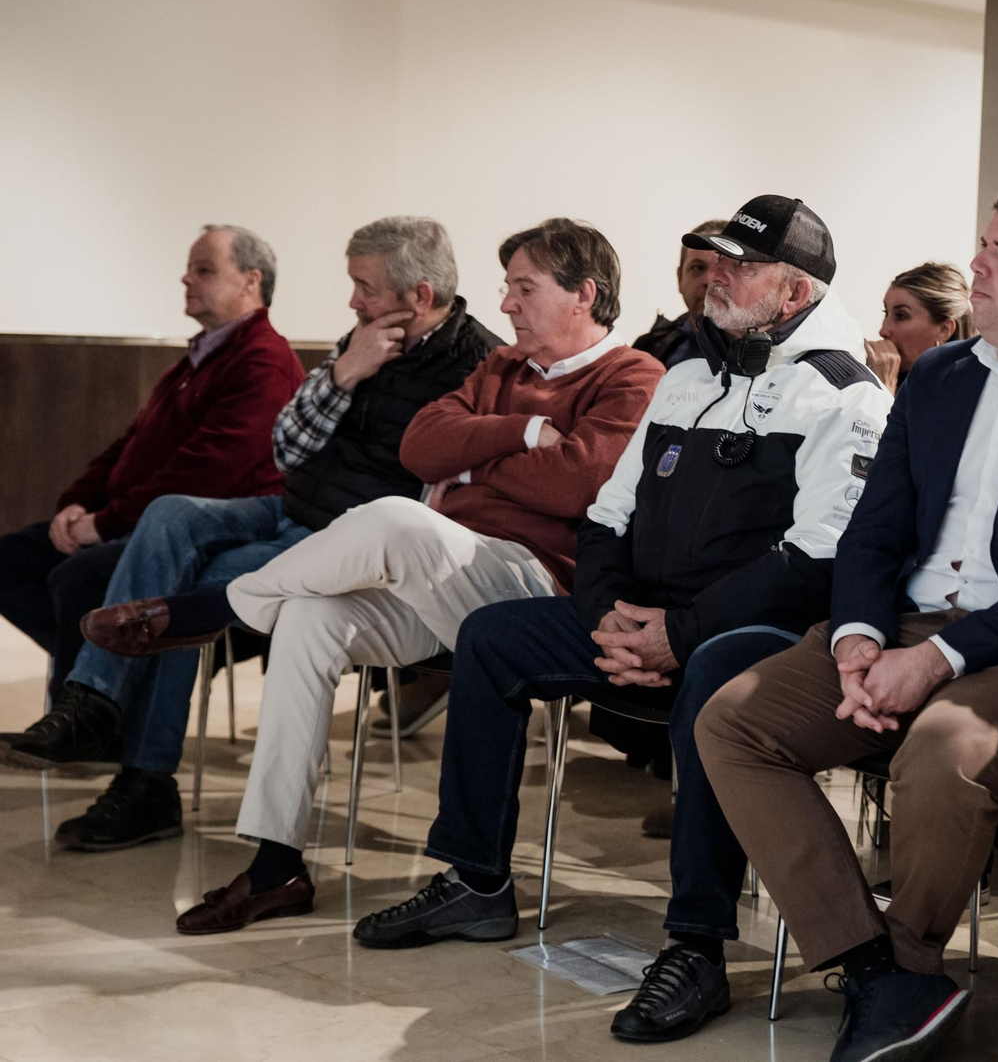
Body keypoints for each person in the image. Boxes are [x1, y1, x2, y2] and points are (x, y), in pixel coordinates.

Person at [349, 197, 892, 1048]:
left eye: (739, 266)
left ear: (794, 293)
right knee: (493, 637)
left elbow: (816, 559)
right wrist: (607, 618)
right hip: (641, 617)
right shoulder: (686, 375)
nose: (716, 277)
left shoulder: (843, 395)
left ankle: (696, 946)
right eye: (714, 260)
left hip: (756, 632)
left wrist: (680, 632)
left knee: (712, 679)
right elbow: (606, 517)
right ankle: (477, 880)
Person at [695, 181, 998, 1062]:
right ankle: (876, 969)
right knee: (734, 720)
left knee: (941, 751)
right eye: (983, 246)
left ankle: (911, 959)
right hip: (906, 628)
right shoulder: (940, 377)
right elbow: (874, 529)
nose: (977, 265)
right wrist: (857, 638)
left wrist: (939, 660)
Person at [84, 218, 664, 933]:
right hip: (444, 574)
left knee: (395, 518)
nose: (506, 303)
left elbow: (576, 485)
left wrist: (473, 468)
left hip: (533, 586)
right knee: (308, 617)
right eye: (506, 287)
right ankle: (275, 865)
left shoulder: (634, 377)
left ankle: (216, 610)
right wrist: (519, 434)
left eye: (524, 288)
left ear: (584, 295)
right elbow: (422, 447)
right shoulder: (502, 369)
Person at [3, 218, 496, 852]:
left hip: (344, 543)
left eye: (365, 286)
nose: (352, 299)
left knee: (183, 591)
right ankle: (91, 702)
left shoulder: (477, 365)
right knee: (170, 514)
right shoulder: (362, 340)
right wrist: (346, 373)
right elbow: (286, 446)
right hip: (289, 509)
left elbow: (455, 491)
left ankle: (145, 781)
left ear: (420, 296)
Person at [0, 225, 303, 715]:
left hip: (207, 534)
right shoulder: (199, 358)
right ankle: (106, 675)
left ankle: (88, 720)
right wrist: (78, 503)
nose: (186, 279)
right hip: (139, 521)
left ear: (251, 281)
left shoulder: (263, 361)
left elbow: (207, 472)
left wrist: (104, 523)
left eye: (204, 270)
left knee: (79, 578)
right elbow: (131, 444)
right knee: (11, 560)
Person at [863, 262, 974, 394]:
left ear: (944, 330)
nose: (883, 331)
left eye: (901, 316)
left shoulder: (963, 393)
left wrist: (884, 387)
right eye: (886, 312)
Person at [633, 219, 724, 370]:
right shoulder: (649, 349)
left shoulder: (762, 354)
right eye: (697, 268)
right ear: (679, 277)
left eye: (720, 269)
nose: (708, 281)